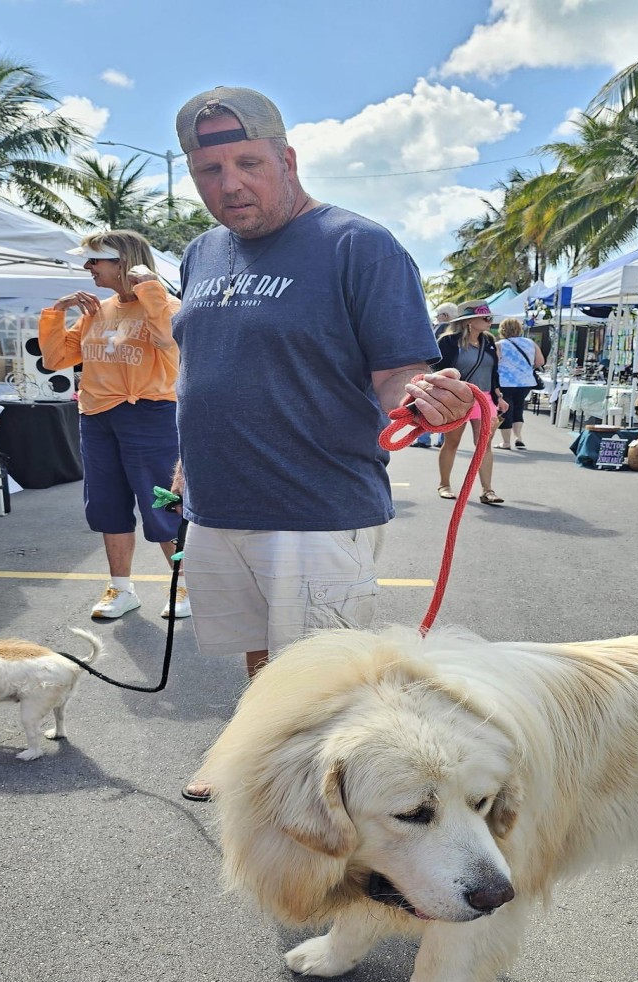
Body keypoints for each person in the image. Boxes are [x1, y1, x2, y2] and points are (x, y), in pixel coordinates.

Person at [170, 85, 473, 800]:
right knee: (261, 653)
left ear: (287, 158)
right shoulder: (201, 252)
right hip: (220, 504)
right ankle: (256, 755)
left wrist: (429, 403)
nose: (230, 184)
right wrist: (188, 460)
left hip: (316, 506)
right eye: (210, 171)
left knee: (326, 678)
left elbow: (399, 375)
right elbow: (204, 365)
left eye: (248, 162)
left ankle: (334, 815)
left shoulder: (357, 245)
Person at [38, 229, 188, 620]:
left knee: (164, 503)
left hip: (151, 415)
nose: (88, 268)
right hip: (97, 415)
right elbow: (55, 360)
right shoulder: (96, 311)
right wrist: (58, 310)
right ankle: (121, 588)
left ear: (121, 262)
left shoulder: (165, 305)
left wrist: (149, 287)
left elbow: (167, 341)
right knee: (106, 503)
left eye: (95, 261)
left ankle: (184, 584)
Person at [433, 301, 505, 505]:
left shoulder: (489, 341)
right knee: (452, 442)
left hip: (485, 398)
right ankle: (444, 484)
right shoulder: (448, 342)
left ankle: (487, 490)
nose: (490, 321)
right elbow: (438, 370)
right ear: (470, 321)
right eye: (486, 318)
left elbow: (494, 371)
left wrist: (499, 395)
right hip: (458, 398)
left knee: (484, 444)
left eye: (490, 318)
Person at [412, 303, 459, 448]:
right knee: (446, 409)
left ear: (444, 316)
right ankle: (442, 440)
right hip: (453, 376)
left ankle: (423, 439)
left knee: (428, 407)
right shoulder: (458, 333)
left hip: (435, 374)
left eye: (438, 315)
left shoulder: (440, 330)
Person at [494, 318, 545, 450]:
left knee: (505, 411)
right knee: (518, 408)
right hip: (526, 381)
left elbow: (495, 362)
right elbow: (540, 361)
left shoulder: (500, 344)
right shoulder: (530, 343)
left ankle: (506, 442)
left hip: (505, 382)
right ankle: (518, 438)